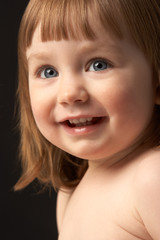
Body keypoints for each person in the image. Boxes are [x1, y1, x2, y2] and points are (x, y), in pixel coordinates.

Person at [14, 0, 160, 239]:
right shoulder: (70, 192)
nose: (69, 93)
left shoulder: (151, 178)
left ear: (157, 79)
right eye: (48, 71)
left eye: (98, 65)